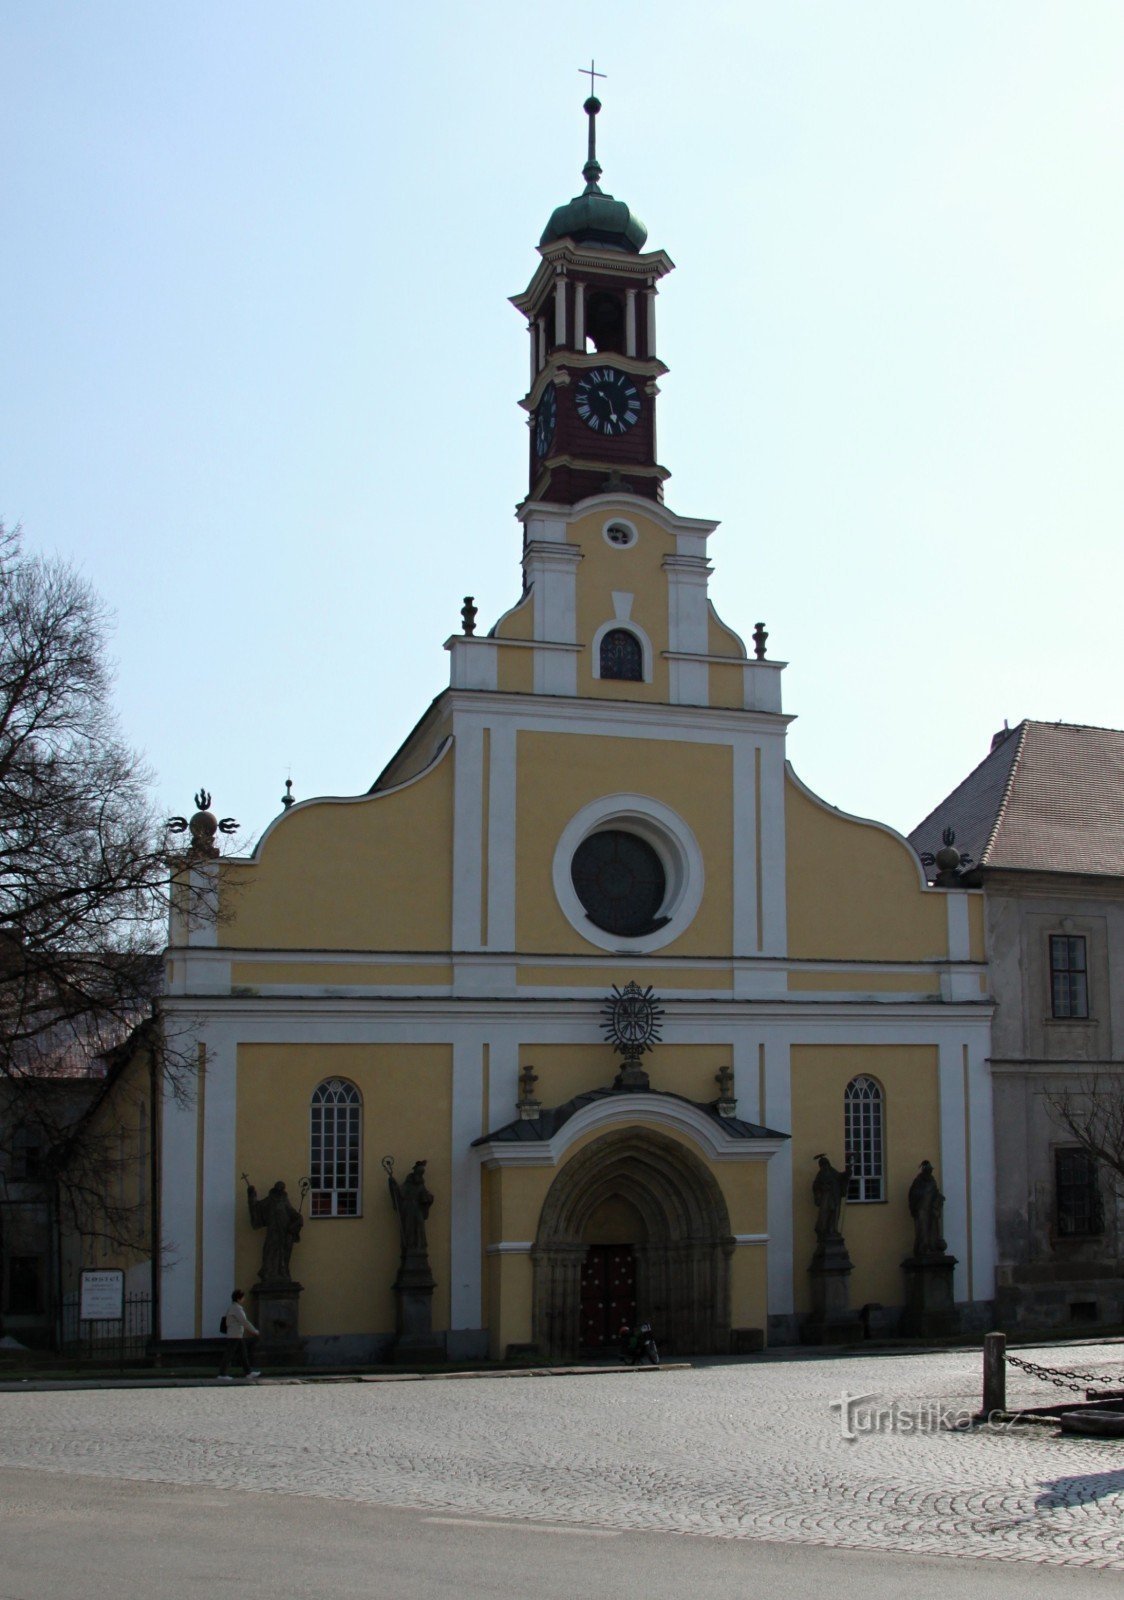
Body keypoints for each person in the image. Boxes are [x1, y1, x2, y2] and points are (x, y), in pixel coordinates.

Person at [217, 1289, 261, 1380]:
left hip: (236, 1335)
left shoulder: (233, 1307)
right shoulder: (236, 1309)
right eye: (242, 1297)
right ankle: (222, 1374)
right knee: (229, 1355)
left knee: (243, 1355)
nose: (244, 1299)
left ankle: (248, 1373)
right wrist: (254, 1331)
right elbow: (244, 1321)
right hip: (234, 1335)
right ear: (238, 1299)